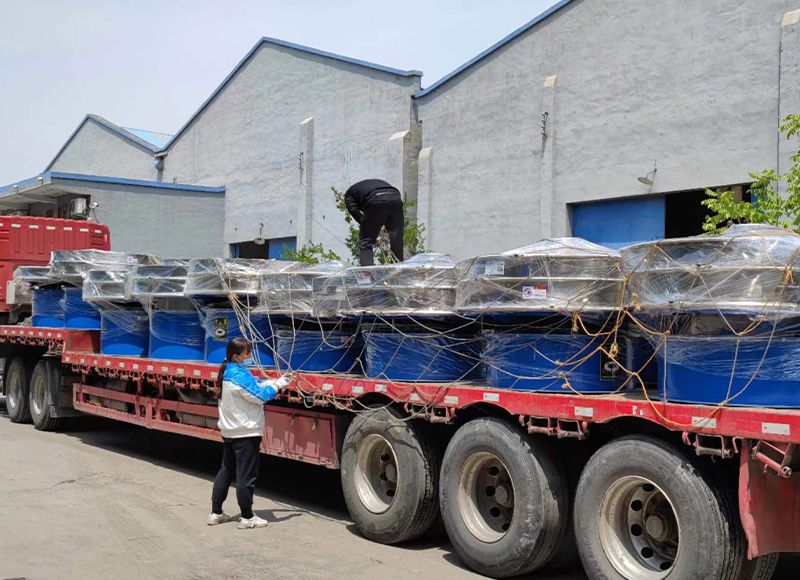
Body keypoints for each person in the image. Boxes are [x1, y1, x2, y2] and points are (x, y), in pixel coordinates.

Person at [207, 338, 291, 529]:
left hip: (230, 431)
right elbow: (260, 396)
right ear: (236, 355)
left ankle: (216, 512)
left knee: (226, 470)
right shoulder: (238, 375)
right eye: (247, 353)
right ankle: (247, 517)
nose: (250, 356)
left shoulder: (229, 371)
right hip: (245, 433)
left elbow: (254, 384)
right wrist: (278, 385)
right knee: (246, 476)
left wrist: (273, 381)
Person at [344, 178, 405, 266]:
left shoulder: (349, 196)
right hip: (396, 198)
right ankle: (398, 268)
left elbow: (355, 212)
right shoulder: (366, 187)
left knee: (366, 240)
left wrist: (371, 227)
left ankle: (367, 272)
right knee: (396, 238)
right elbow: (389, 203)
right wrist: (383, 224)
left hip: (375, 199)